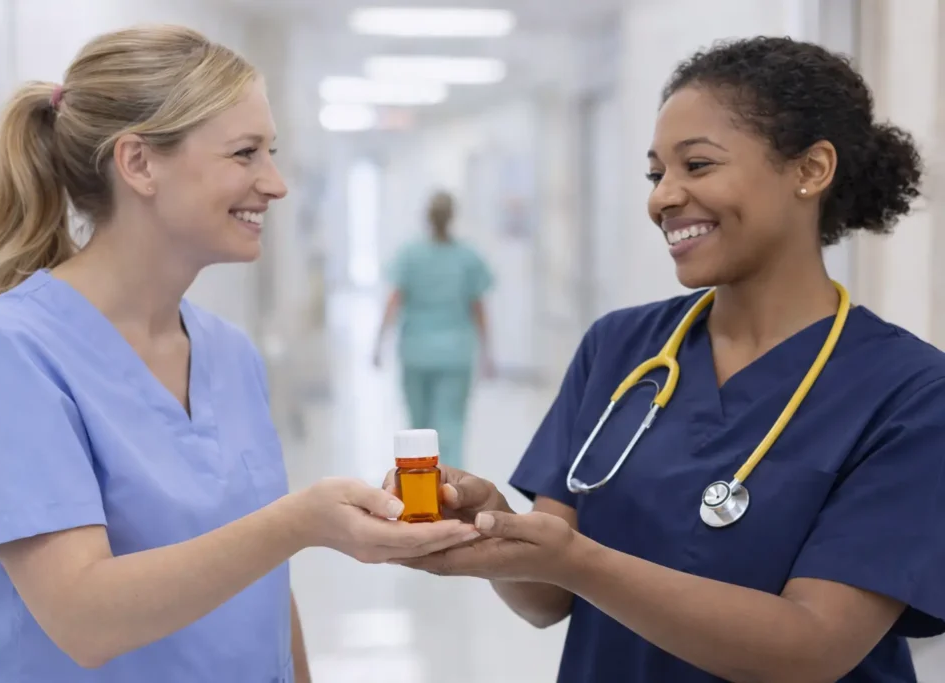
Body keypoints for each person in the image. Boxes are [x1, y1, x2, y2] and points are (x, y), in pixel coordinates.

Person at [0, 25, 479, 683]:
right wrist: (298, 523)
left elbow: (262, 587)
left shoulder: (228, 353)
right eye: (245, 153)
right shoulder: (5, 357)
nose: (275, 184)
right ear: (138, 163)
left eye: (270, 151)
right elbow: (84, 618)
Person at [388, 36, 945, 682]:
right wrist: (494, 530)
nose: (662, 198)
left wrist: (580, 561)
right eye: (656, 174)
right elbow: (547, 597)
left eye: (697, 166)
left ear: (811, 170)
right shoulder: (620, 348)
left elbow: (812, 646)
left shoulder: (909, 393)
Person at [372, 190, 494, 469]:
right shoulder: (467, 257)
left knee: (419, 427)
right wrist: (488, 353)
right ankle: (452, 489)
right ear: (452, 217)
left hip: (417, 351)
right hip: (456, 353)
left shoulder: (409, 254)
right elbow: (478, 308)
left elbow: (394, 301)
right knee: (450, 425)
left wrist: (378, 344)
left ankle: (421, 485)